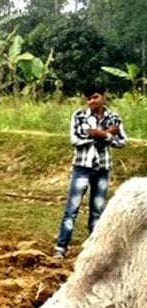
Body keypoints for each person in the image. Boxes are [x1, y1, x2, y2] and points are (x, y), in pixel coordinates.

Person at [53, 84, 127, 259]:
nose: (91, 102)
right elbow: (75, 140)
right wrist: (105, 135)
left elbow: (123, 141)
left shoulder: (114, 117)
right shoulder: (79, 116)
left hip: (102, 168)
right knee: (72, 209)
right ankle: (61, 247)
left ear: (103, 96)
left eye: (94, 97)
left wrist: (100, 134)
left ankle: (93, 250)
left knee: (97, 211)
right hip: (81, 168)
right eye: (88, 99)